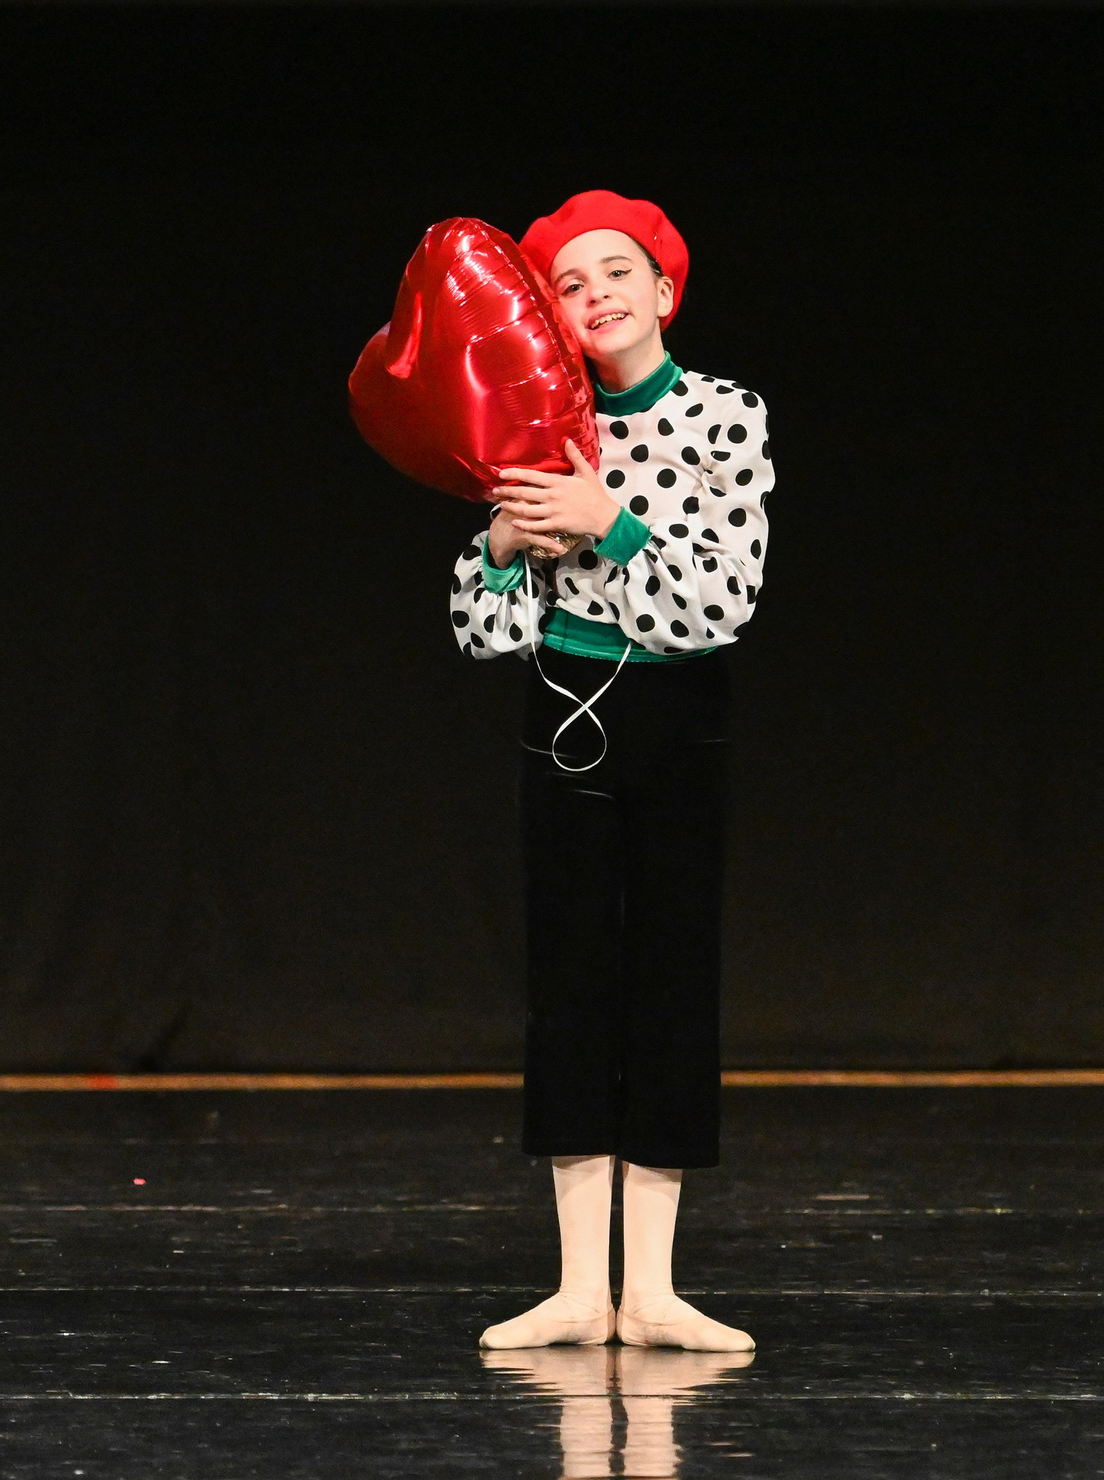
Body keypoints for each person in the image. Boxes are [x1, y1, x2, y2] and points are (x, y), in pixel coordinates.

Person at [445, 190, 766, 1353]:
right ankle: (582, 1286)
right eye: (569, 286)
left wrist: (609, 519)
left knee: (670, 983)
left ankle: (656, 1288)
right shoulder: (535, 422)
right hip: (562, 717)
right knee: (573, 987)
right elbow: (478, 631)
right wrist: (500, 547)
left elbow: (719, 602)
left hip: (677, 718)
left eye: (617, 272)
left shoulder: (726, 415)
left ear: (665, 289)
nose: (597, 297)